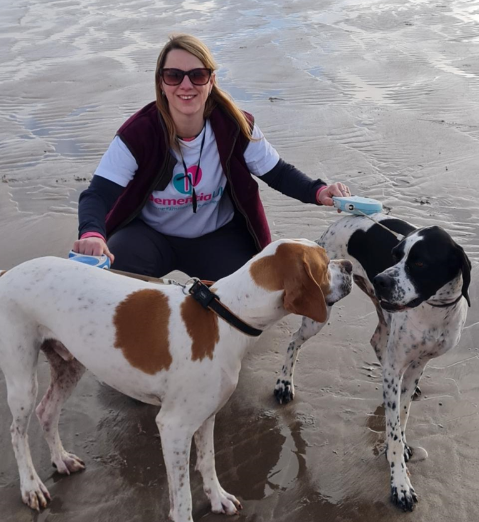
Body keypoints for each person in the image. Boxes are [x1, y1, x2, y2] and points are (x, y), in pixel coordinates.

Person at [73, 34, 351, 281]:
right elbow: (97, 195)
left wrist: (319, 190)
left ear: (211, 80)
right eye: (174, 75)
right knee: (111, 279)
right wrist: (92, 234)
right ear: (161, 82)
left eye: (197, 75)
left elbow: (277, 173)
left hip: (218, 238)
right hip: (150, 236)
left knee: (254, 298)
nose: (186, 85)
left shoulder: (235, 126)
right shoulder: (138, 135)